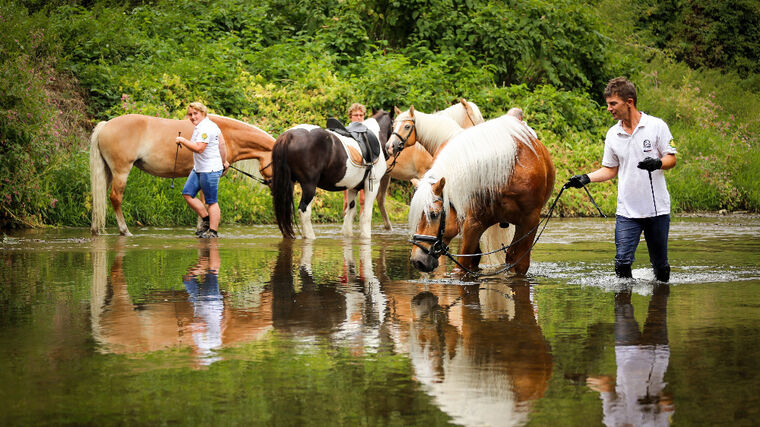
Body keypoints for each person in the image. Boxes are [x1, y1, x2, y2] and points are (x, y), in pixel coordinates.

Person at [565, 77, 677, 282]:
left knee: (660, 267)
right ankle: (624, 310)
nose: (609, 108)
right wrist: (585, 178)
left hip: (657, 210)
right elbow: (610, 169)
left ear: (629, 102)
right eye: (608, 104)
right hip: (627, 211)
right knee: (622, 263)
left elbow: (671, 158)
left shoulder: (656, 126)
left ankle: (659, 308)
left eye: (613, 103)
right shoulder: (613, 134)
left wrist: (658, 163)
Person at [176, 102, 229, 238]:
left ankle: (213, 232)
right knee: (187, 194)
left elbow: (199, 148)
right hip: (199, 168)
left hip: (209, 170)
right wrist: (224, 161)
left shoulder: (206, 127)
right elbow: (221, 144)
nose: (192, 117)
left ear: (203, 113)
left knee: (212, 201)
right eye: (190, 114)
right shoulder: (206, 125)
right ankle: (206, 220)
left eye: (195, 113)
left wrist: (182, 140)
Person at [343, 103, 367, 214]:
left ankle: (362, 214)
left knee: (363, 200)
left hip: (364, 170)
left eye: (361, 115)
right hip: (349, 170)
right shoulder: (344, 132)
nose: (358, 117)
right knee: (348, 201)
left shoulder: (367, 133)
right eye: (356, 115)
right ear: (350, 116)